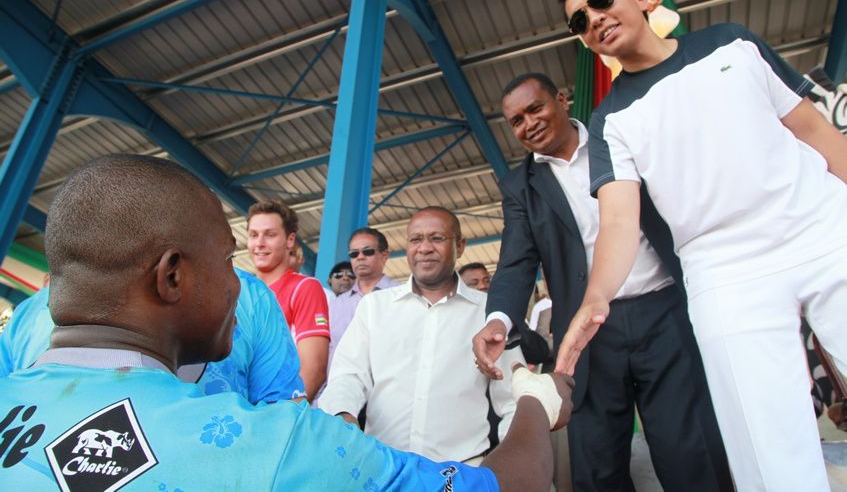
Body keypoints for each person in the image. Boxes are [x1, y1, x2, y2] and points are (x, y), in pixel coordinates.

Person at [0, 154, 574, 491]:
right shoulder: (279, 448)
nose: (241, 285)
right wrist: (535, 403)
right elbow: (508, 483)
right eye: (230, 260)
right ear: (172, 277)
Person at [556, 0, 847, 490]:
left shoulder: (730, 43)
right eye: (580, 20)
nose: (594, 19)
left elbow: (815, 132)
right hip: (725, 272)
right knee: (769, 443)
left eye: (602, 0)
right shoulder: (609, 120)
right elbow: (621, 220)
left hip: (823, 228)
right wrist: (597, 297)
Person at [472, 72, 731, 490]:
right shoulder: (520, 187)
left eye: (535, 108)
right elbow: (516, 262)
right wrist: (499, 319)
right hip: (586, 334)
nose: (529, 124)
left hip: (664, 313)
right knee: (596, 464)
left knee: (691, 450)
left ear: (562, 99)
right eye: (516, 120)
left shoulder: (619, 137)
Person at [320, 207, 523, 465]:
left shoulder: (489, 314)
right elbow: (348, 375)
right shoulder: (375, 307)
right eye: (415, 240)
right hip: (384, 470)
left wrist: (506, 463)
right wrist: (341, 415)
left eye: (437, 238)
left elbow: (513, 399)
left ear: (460, 246)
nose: (424, 248)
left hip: (460, 472)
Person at [0, 269, 306, 403]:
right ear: (171, 272)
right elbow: (286, 421)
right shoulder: (249, 293)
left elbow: (284, 409)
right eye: (225, 254)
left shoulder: (30, 311)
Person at [247, 200, 329, 401]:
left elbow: (314, 369)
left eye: (270, 235)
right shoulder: (240, 291)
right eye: (253, 235)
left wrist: (281, 422)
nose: (259, 243)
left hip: (276, 414)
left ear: (290, 240)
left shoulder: (305, 288)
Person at [326, 227, 398, 370]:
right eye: (354, 254)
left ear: (385, 255)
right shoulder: (335, 305)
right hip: (338, 389)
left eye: (368, 251)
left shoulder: (402, 296)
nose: (360, 257)